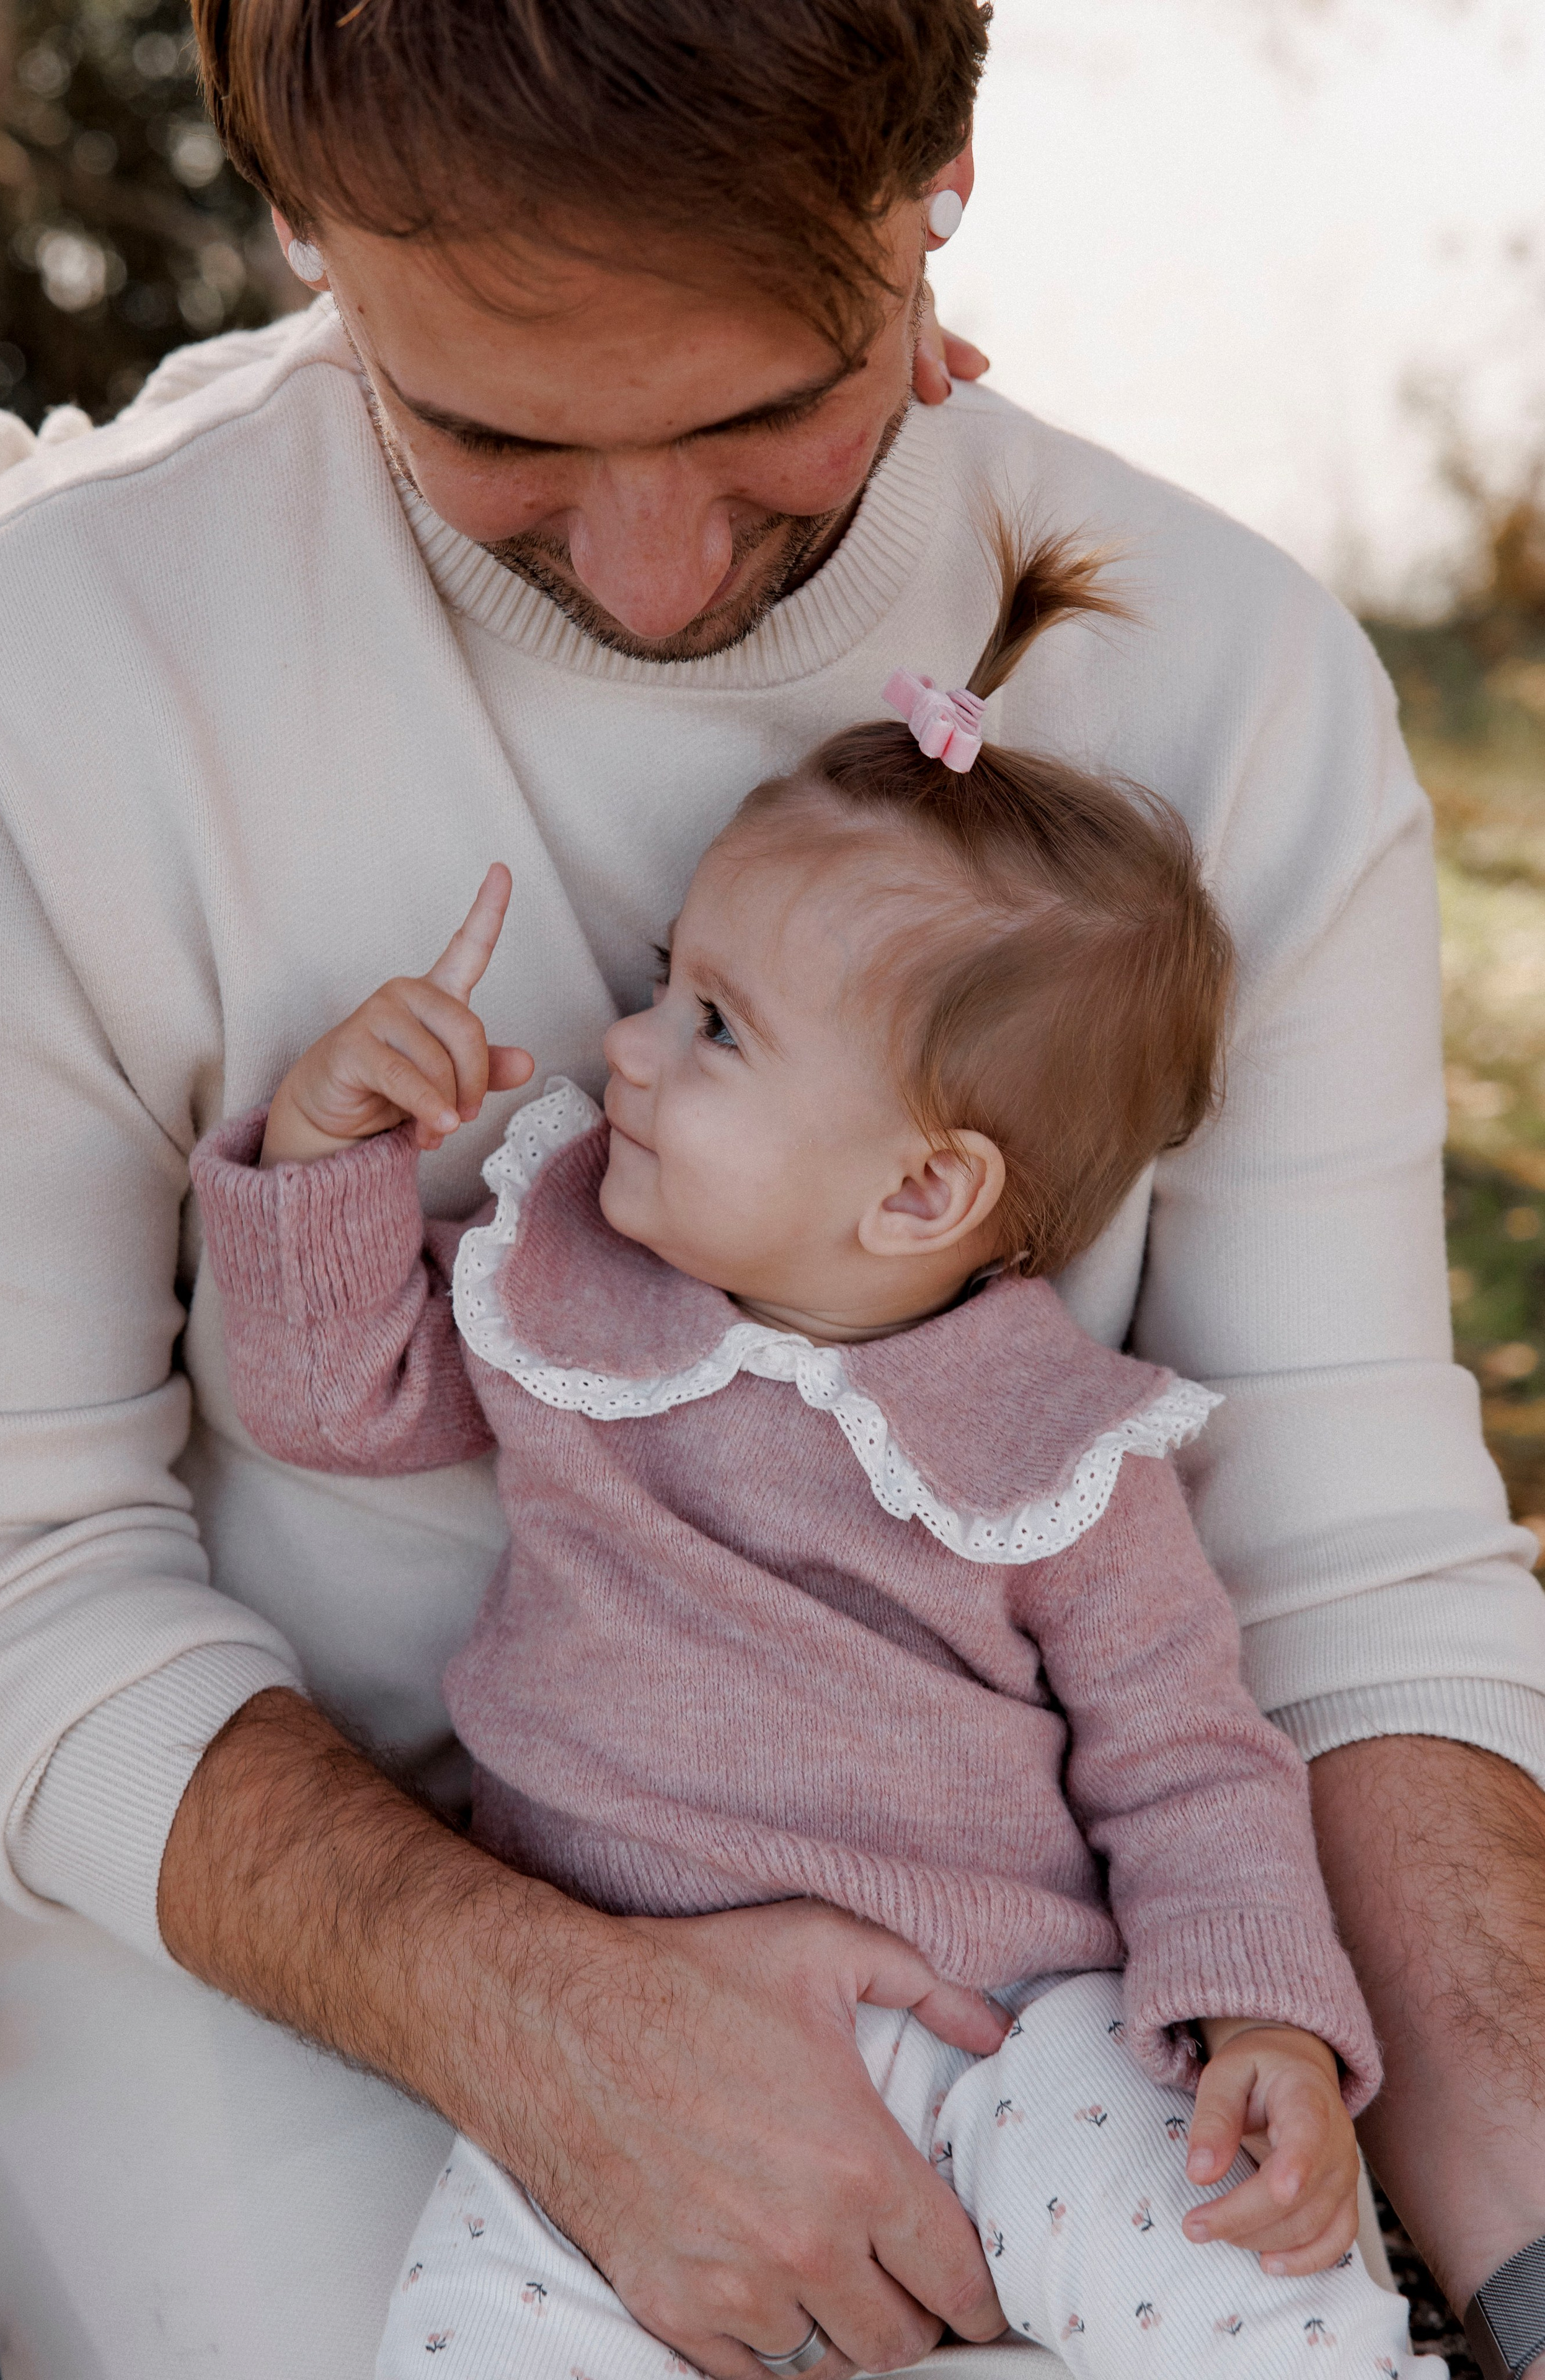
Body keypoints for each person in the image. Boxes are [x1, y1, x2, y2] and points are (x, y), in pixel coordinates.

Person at [0, 4, 1543, 2376]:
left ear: (940, 180)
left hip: (1038, 1983)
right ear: (298, 220)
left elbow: (1342, 1583)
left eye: (763, 411)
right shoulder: (40, 673)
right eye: (493, 431)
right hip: (271, 1949)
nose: (655, 570)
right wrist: (531, 2012)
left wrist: (1519, 2256)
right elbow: (2, 1571)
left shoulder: (1237, 685)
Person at [187, 535, 1439, 2380]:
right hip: (619, 2047)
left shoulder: (1055, 1446)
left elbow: (1189, 1759)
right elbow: (337, 1400)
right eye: (665, 982)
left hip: (1014, 2033)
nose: (624, 1046)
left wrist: (1262, 2022)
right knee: (473, 2337)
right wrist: (327, 1150)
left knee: (1244, 2292)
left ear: (925, 1188)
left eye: (714, 1027)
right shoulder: (566, 1284)